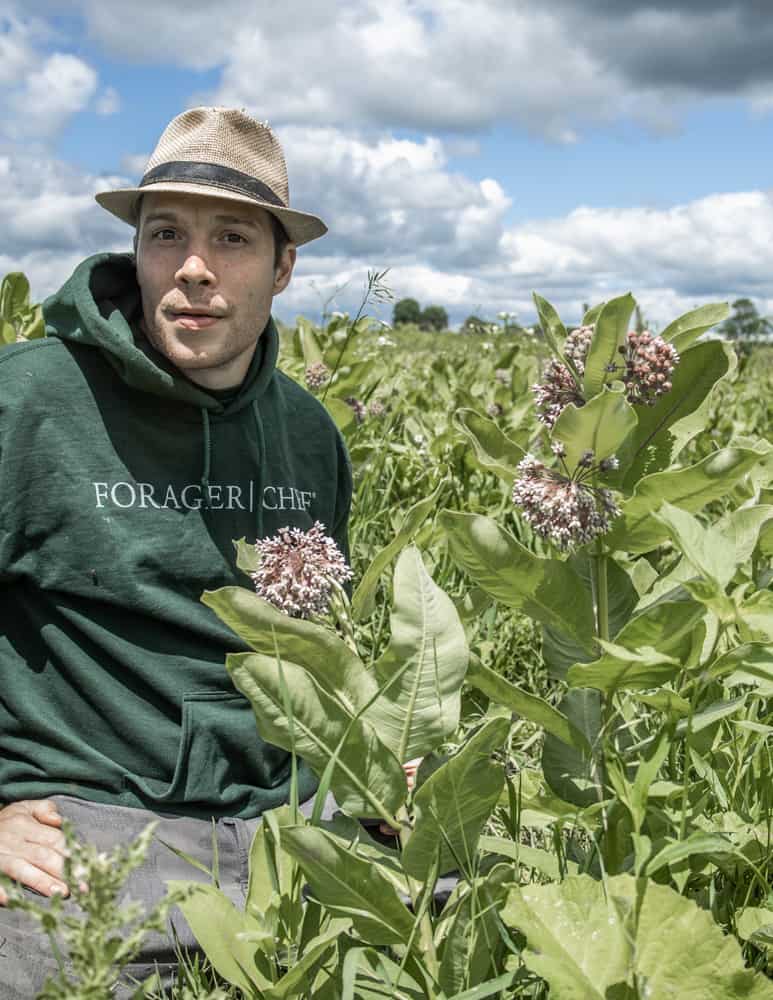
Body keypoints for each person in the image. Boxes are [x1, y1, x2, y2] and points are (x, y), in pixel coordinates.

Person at [0, 106, 352, 995]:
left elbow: (319, 643)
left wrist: (369, 756)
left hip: (290, 815)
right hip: (86, 824)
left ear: (283, 267)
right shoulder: (30, 402)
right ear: (138, 251)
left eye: (232, 238)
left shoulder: (309, 434)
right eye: (167, 235)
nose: (193, 268)